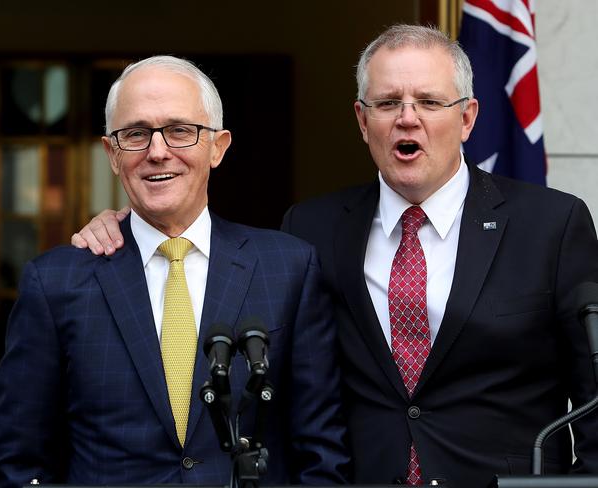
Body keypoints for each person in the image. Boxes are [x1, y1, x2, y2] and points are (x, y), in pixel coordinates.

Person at [72, 25, 598, 487]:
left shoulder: (551, 225)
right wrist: (131, 225)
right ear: (362, 121)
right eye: (388, 103)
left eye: (429, 103)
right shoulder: (311, 230)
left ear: (467, 118)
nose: (407, 119)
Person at [0, 56, 350, 488]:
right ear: (111, 152)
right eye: (136, 134)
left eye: (180, 130)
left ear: (218, 146)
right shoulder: (55, 283)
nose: (157, 151)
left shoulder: (288, 268)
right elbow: (20, 463)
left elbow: (321, 454)